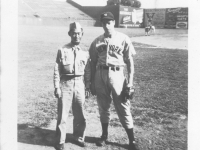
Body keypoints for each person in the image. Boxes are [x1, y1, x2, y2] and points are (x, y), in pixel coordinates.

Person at [88, 12, 139, 150]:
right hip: (100, 74)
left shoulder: (123, 38)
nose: (106, 25)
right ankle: (104, 136)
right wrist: (92, 82)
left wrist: (130, 82)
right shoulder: (96, 41)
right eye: (104, 22)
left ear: (114, 22)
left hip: (117, 75)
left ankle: (132, 140)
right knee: (103, 107)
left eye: (109, 22)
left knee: (123, 106)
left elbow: (130, 62)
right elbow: (92, 63)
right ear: (102, 24)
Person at [53, 22, 90, 150]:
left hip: (80, 84)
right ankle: (60, 140)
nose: (76, 36)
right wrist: (57, 86)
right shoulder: (62, 50)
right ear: (70, 34)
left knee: (80, 114)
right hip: (66, 84)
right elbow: (57, 69)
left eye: (79, 33)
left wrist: (88, 87)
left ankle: (78, 137)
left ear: (82, 35)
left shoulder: (84, 52)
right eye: (74, 33)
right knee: (63, 115)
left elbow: (88, 72)